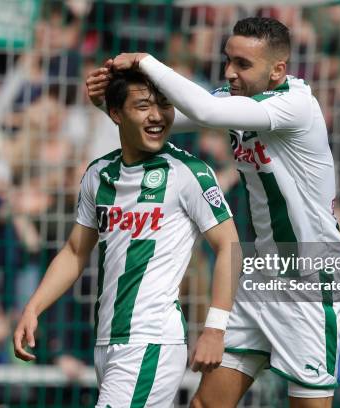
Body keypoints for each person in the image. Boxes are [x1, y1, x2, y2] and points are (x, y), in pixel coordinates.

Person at [87, 16, 340, 408]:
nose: (230, 72)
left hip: (310, 281)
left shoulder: (297, 106)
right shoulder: (234, 100)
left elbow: (205, 111)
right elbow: (168, 118)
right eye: (228, 60)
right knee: (206, 404)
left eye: (243, 64)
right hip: (263, 277)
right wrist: (115, 103)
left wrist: (144, 60)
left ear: (278, 70)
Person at [13, 69, 241, 407]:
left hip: (151, 341)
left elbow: (230, 247)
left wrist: (215, 328)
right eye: (143, 105)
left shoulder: (188, 173)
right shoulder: (98, 174)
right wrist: (34, 307)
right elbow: (76, 251)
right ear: (115, 113)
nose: (156, 115)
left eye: (164, 105)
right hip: (107, 341)